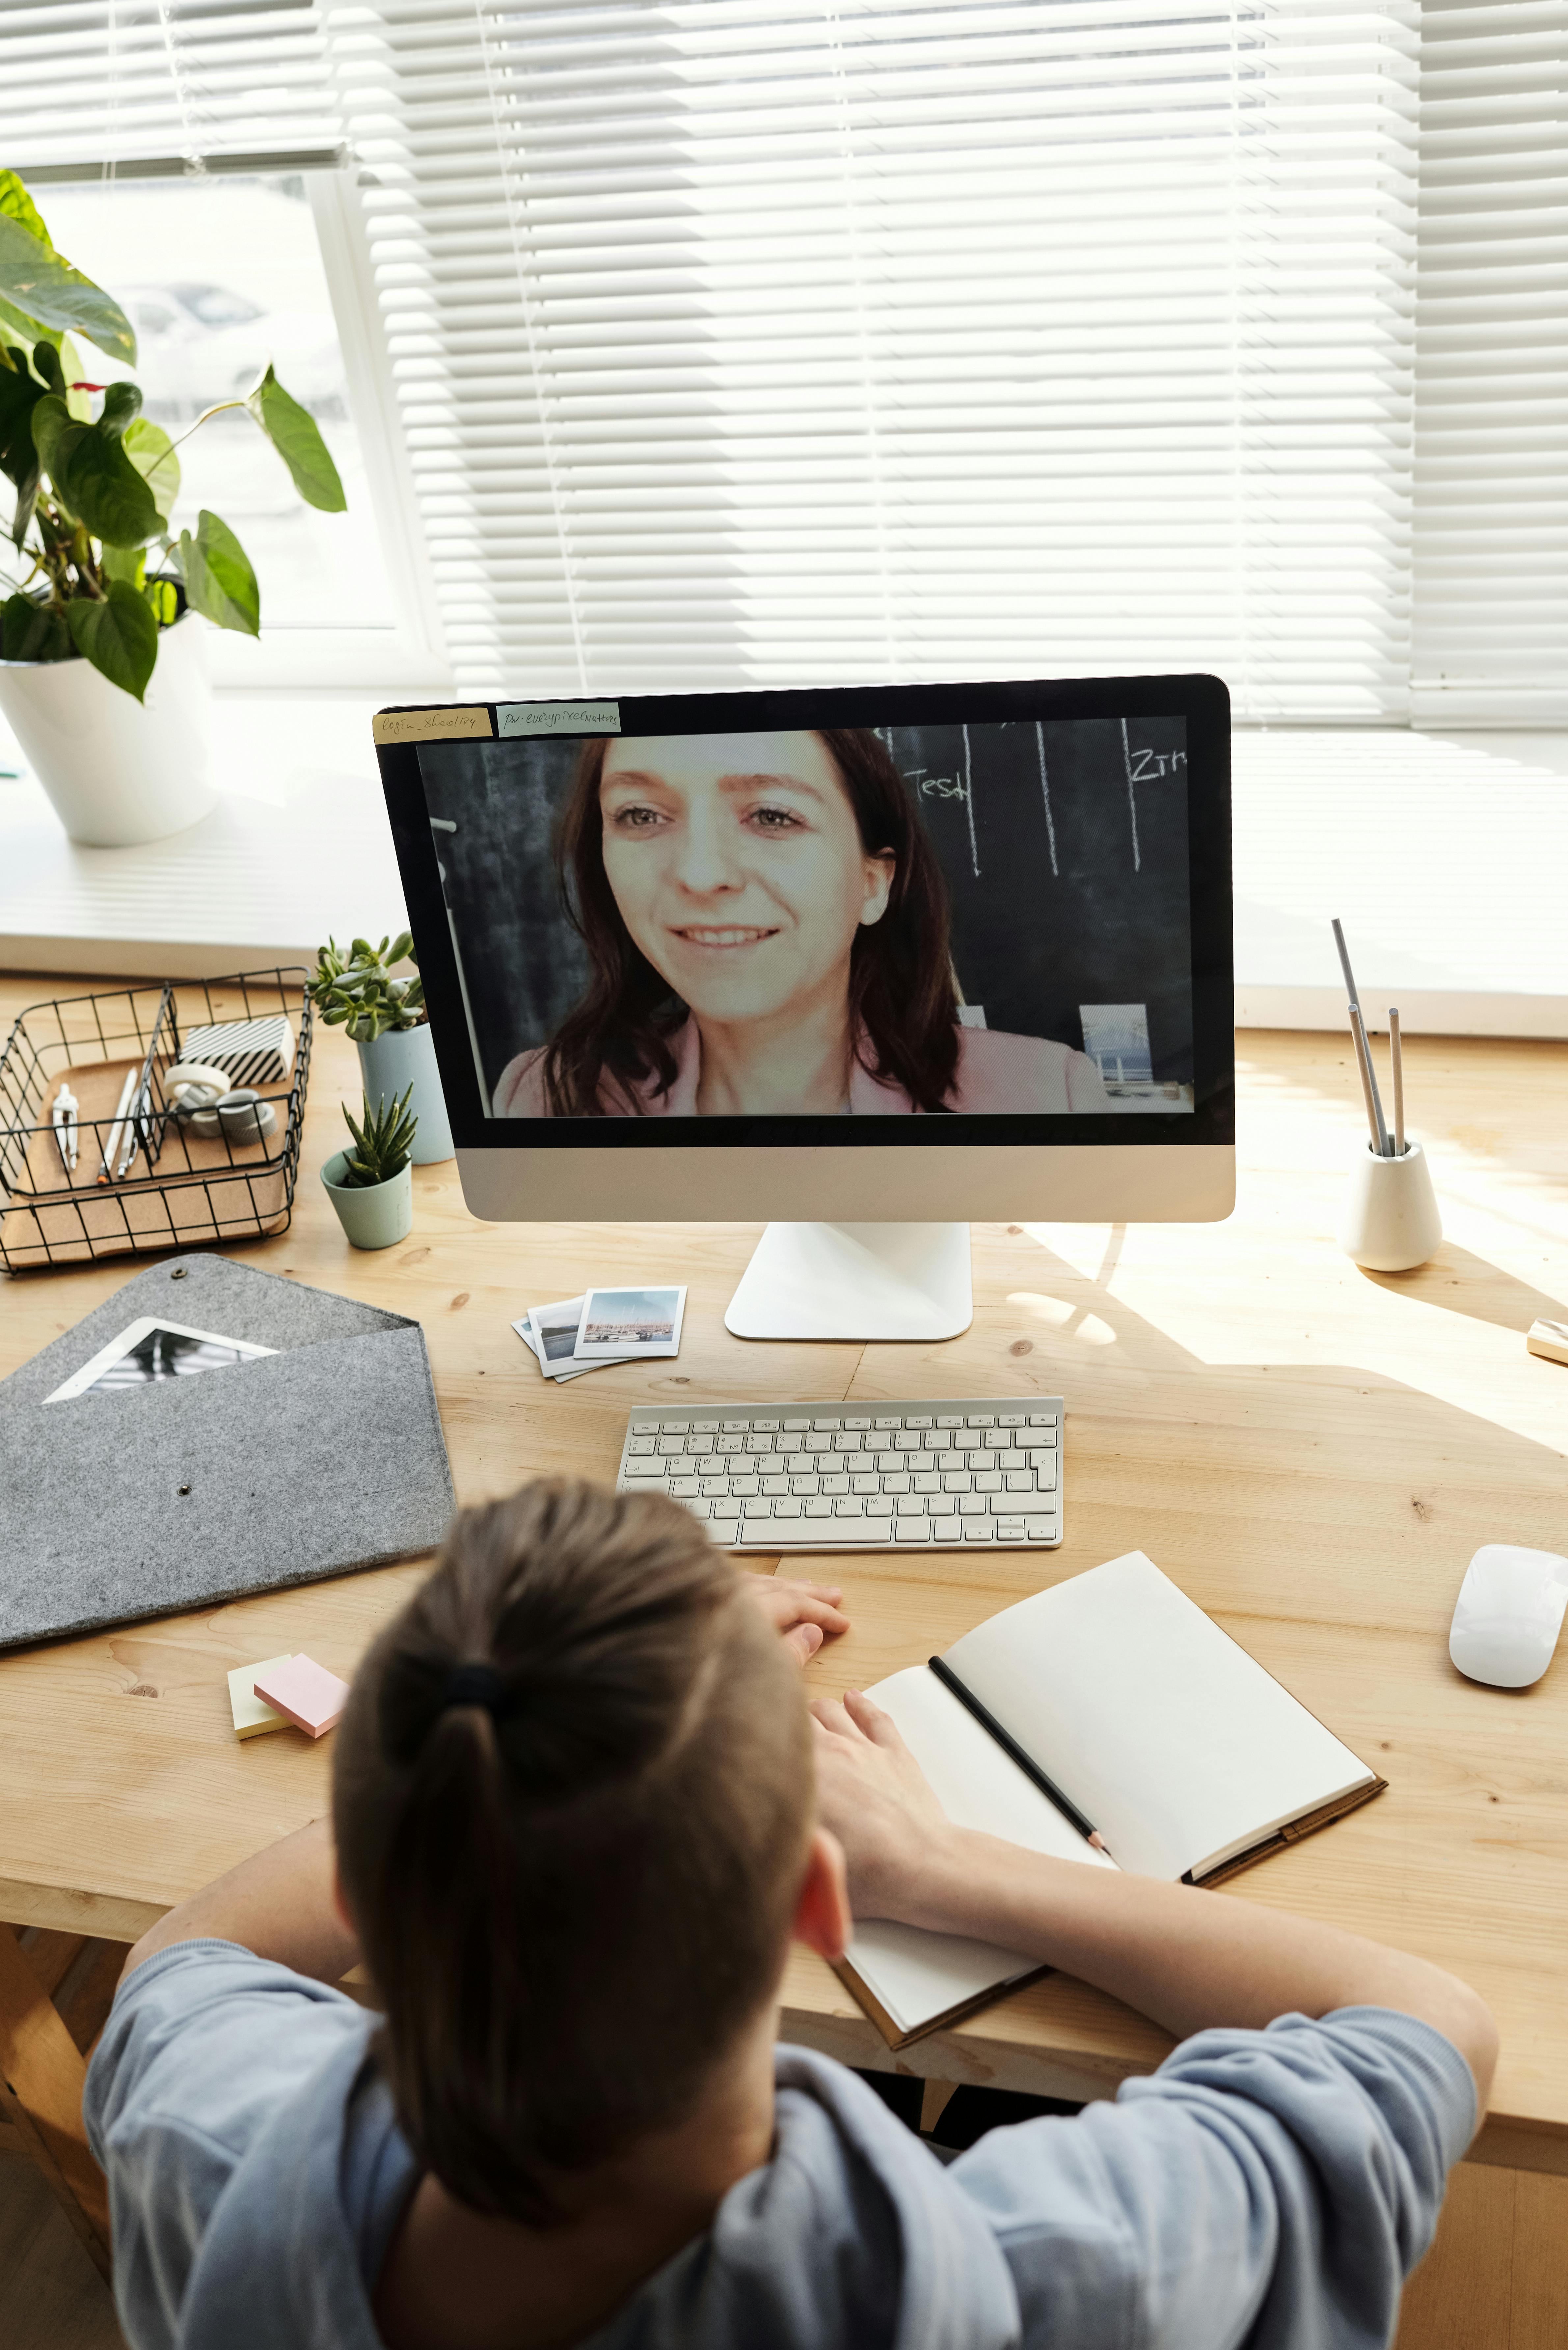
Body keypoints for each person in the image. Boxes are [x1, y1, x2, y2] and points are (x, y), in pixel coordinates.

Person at [87, 1482, 1496, 2350]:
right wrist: (948, 1864)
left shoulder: (207, 2139)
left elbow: (178, 1967)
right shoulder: (1054, 2272)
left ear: (363, 1896)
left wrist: (550, 1723)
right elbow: (1428, 2024)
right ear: (817, 1895)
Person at [492, 730, 1111, 1117]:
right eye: (640, 815)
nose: (701, 874)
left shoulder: (1043, 1094)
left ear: (873, 884)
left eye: (771, 816)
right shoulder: (545, 1099)